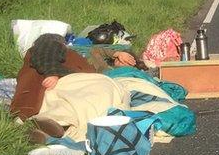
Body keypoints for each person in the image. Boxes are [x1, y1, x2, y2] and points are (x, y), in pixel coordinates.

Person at [10, 33, 138, 142]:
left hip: (95, 82)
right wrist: (52, 72)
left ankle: (53, 128)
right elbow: (47, 53)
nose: (122, 63)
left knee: (96, 101)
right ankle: (54, 124)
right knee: (87, 101)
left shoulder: (77, 57)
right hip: (77, 82)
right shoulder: (50, 43)